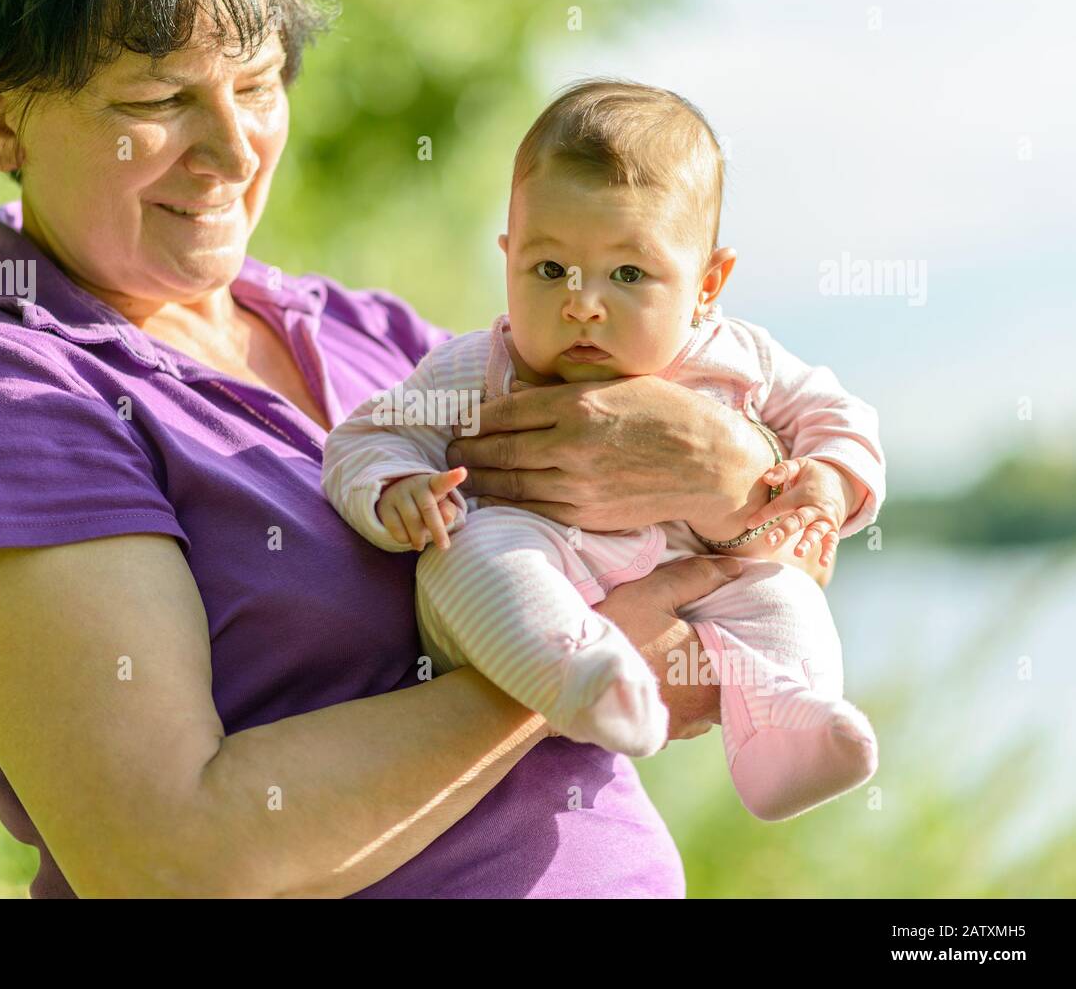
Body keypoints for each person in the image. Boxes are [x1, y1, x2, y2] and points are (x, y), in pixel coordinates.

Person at [0, 0, 825, 898]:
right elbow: (164, 857)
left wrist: (739, 473)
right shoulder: (11, 397)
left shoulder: (376, 337)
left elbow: (760, 556)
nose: (232, 151)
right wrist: (569, 671)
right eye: (156, 102)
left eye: (255, 84)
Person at [323, 80, 886, 821]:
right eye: (549, 269)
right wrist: (396, 486)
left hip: (690, 576)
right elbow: (368, 435)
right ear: (508, 259)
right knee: (470, 546)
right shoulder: (481, 370)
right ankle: (586, 674)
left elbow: (840, 414)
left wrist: (828, 481)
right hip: (534, 569)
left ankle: (787, 728)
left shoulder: (739, 361)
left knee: (780, 595)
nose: (581, 302)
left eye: (627, 274)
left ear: (708, 283)